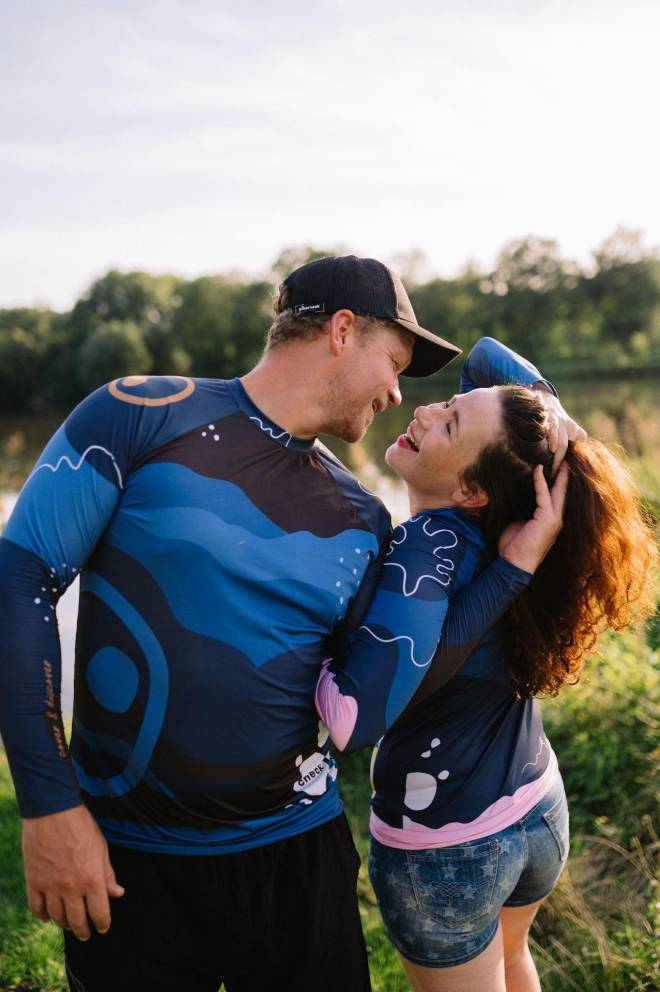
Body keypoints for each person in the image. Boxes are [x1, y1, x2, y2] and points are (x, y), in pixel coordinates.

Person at [0, 256, 571, 992]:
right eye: (395, 363)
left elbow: (398, 681)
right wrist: (48, 804)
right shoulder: (139, 414)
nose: (399, 393)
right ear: (343, 331)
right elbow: (20, 580)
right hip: (129, 860)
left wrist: (515, 562)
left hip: (298, 863)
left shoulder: (363, 517)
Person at [315, 337, 655, 992]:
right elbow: (485, 358)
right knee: (514, 960)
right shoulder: (515, 523)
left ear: (471, 489)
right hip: (536, 809)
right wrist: (557, 425)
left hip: (449, 847)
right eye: (445, 405)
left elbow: (359, 714)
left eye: (448, 422)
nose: (423, 411)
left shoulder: (426, 548)